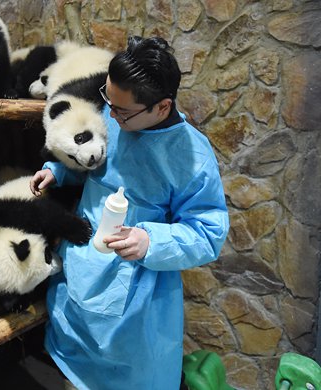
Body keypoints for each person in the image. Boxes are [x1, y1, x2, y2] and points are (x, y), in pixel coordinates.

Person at [30, 36, 229, 390]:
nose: (110, 113)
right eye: (108, 99)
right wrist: (58, 171)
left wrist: (151, 239)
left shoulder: (192, 156)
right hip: (79, 264)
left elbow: (208, 232)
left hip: (135, 294)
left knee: (127, 378)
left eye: (122, 110)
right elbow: (92, 159)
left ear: (162, 107)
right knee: (70, 368)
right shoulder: (115, 113)